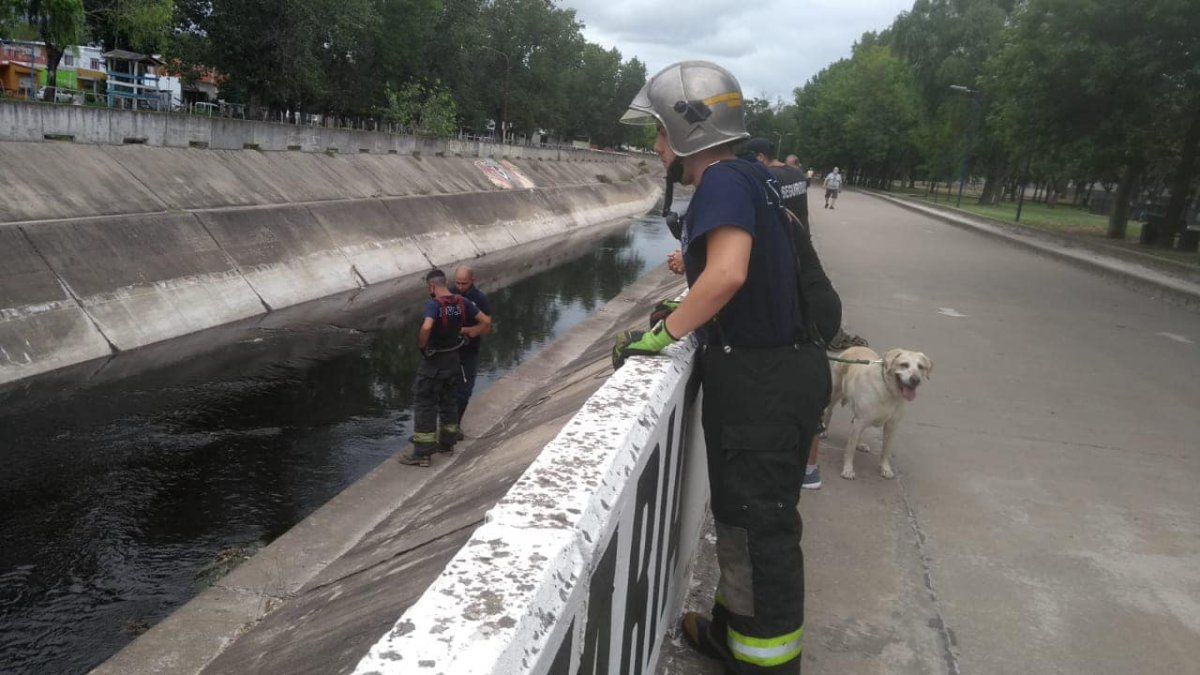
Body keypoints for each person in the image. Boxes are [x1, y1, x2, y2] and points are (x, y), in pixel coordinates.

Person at [612, 60, 839, 674]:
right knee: (742, 520)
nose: (657, 144)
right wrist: (691, 306)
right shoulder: (756, 178)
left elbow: (731, 271)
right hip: (779, 377)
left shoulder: (722, 182)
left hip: (763, 386)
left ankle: (766, 664)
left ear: (688, 129)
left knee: (759, 529)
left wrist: (667, 332)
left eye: (659, 131)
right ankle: (731, 633)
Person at [743, 138, 823, 490]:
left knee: (795, 375)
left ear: (760, 158)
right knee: (811, 377)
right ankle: (811, 468)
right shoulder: (795, 175)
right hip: (807, 267)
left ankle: (795, 464)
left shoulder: (765, 183)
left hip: (791, 277)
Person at [398, 269, 490, 467]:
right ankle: (447, 444)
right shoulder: (461, 302)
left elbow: (426, 327)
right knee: (448, 402)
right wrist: (471, 332)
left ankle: (422, 453)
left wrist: (423, 346)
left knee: (425, 404)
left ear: (431, 286)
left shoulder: (434, 305)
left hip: (434, 363)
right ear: (445, 282)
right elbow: (486, 321)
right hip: (454, 361)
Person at [453, 265, 492, 425]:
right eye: (458, 283)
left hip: (469, 351)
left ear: (472, 281)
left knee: (464, 391)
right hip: (450, 351)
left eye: (464, 283)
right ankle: (446, 427)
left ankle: (455, 425)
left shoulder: (480, 299)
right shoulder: (449, 294)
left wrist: (468, 330)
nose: (460, 287)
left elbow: (487, 326)